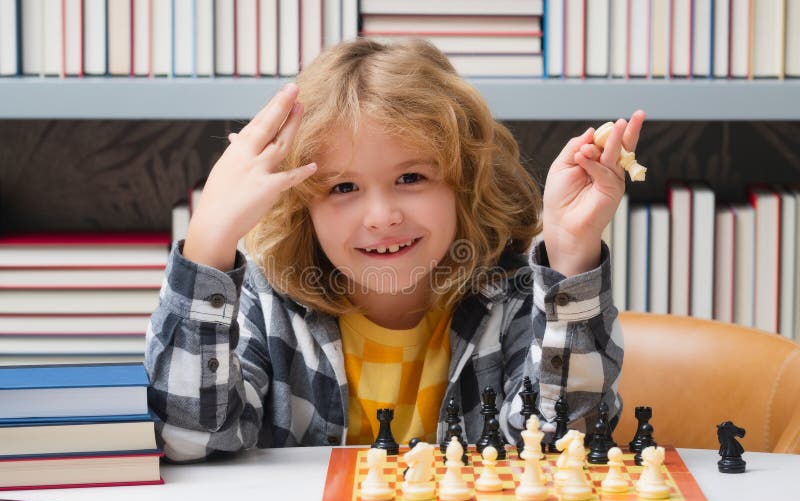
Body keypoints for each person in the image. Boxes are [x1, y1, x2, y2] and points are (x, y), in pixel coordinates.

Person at [145, 38, 644, 462]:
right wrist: (209, 238)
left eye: (411, 178)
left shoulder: (512, 300)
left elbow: (563, 446)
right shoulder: (264, 305)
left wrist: (571, 252)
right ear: (301, 208)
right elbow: (191, 441)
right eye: (343, 188)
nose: (381, 216)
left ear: (463, 186)